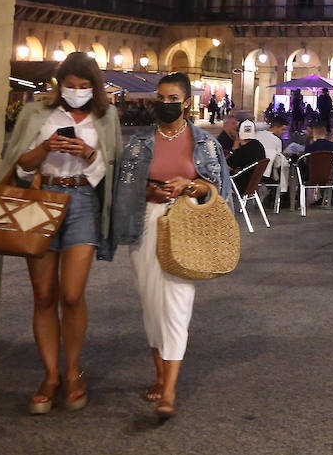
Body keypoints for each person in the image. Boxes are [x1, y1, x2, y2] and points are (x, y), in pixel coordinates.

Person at [0, 52, 120, 414]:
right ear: (59, 84)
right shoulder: (37, 113)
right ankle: (51, 375)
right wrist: (45, 148)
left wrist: (88, 153)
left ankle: (73, 369)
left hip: (83, 200)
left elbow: (113, 166)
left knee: (71, 293)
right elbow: (19, 164)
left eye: (84, 86)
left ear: (94, 87)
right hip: (42, 198)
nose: (77, 91)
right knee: (44, 294)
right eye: (70, 85)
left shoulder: (106, 116)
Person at [109, 72, 231, 420]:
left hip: (186, 223)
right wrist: (147, 189)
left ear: (187, 102)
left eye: (173, 98)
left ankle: (170, 390)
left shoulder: (205, 144)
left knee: (177, 302)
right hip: (146, 222)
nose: (165, 104)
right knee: (151, 303)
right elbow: (124, 186)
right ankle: (160, 375)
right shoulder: (139, 142)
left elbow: (218, 189)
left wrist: (189, 186)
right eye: (160, 98)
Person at [226, 119, 266, 193]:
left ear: (238, 134)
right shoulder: (259, 146)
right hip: (252, 186)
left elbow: (225, 168)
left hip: (238, 186)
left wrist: (235, 146)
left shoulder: (242, 152)